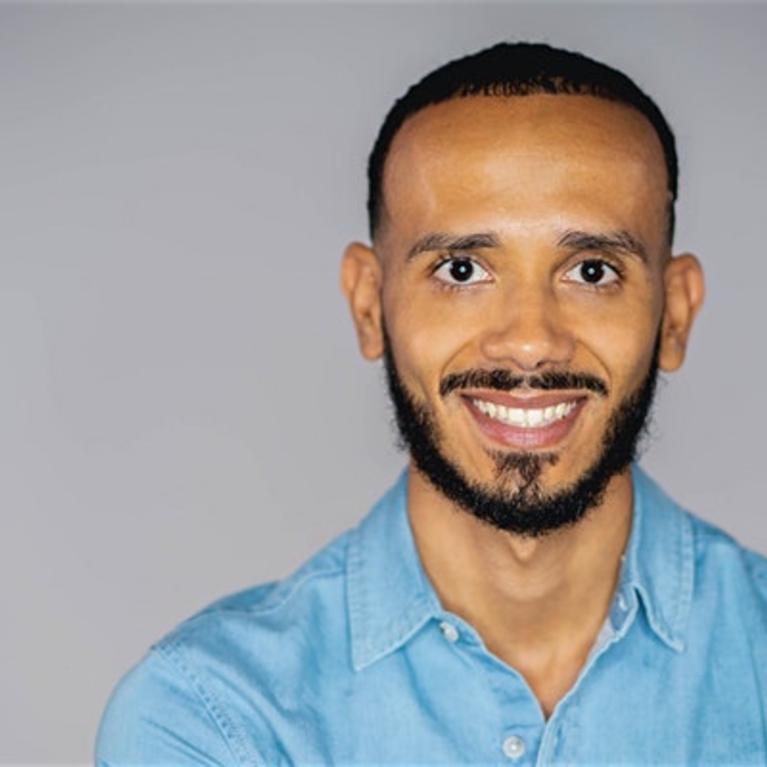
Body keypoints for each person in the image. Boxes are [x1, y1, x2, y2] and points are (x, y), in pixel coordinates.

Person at [95, 42, 767, 765]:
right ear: (369, 305)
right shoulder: (211, 715)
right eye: (462, 269)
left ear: (674, 314)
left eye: (592, 271)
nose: (530, 342)